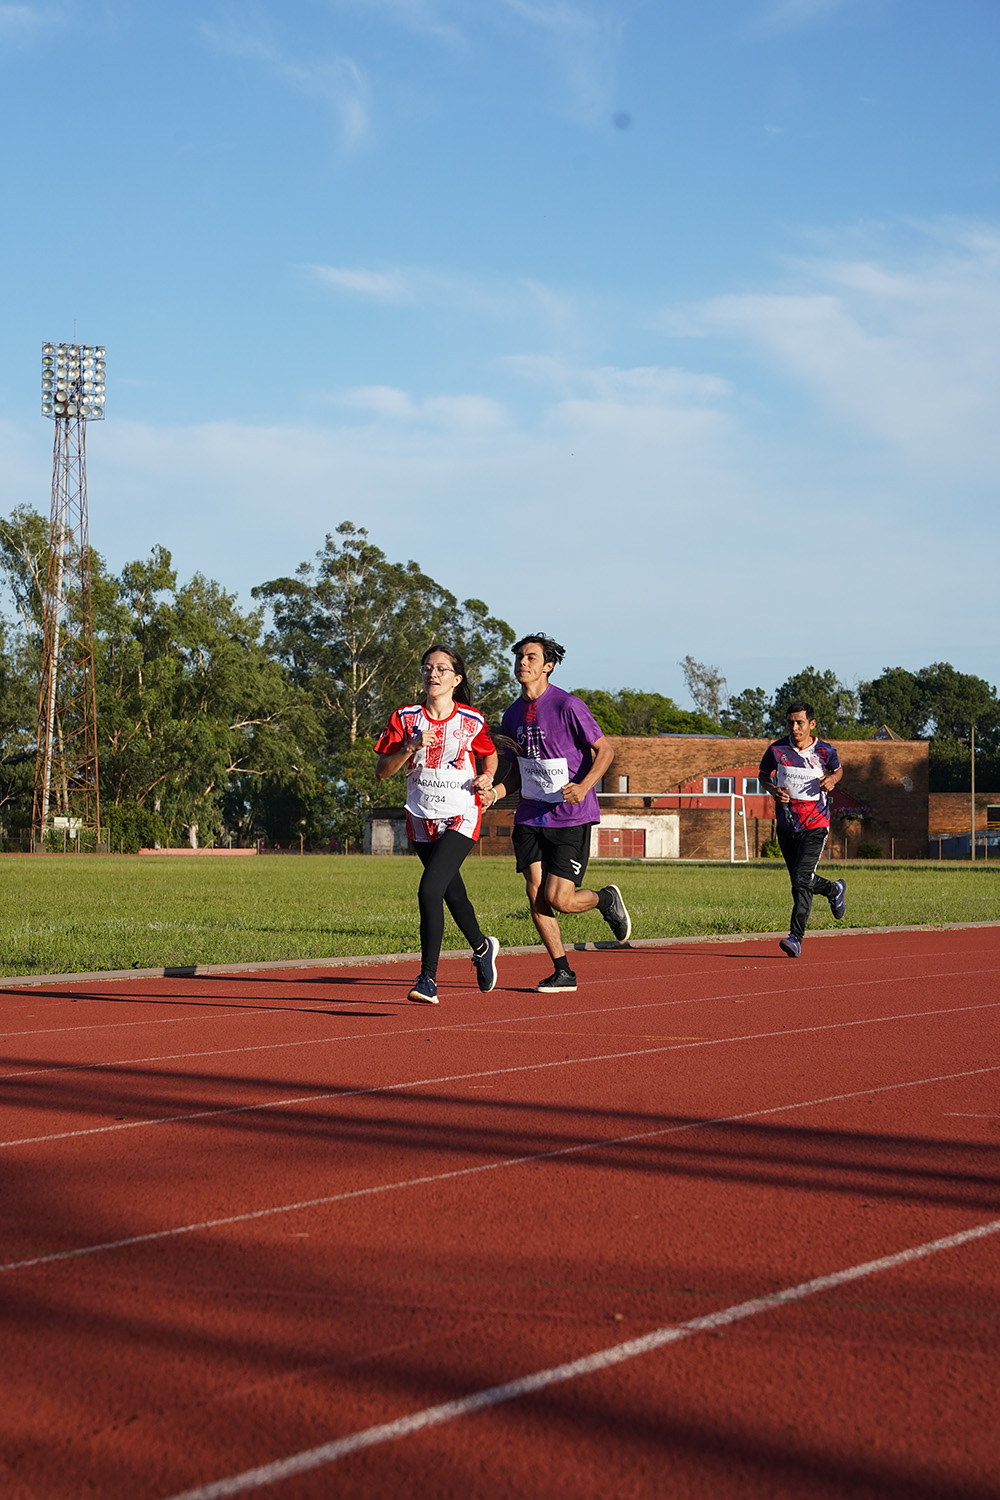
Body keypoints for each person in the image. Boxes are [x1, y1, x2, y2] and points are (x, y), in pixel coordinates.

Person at [485, 632, 631, 992]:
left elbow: (606, 751)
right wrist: (495, 794)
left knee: (560, 899)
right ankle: (563, 970)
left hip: (570, 816)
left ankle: (605, 899)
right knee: (536, 894)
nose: (522, 663)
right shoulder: (511, 715)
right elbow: (517, 772)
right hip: (529, 816)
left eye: (531, 658)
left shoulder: (568, 705)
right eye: (519, 657)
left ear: (548, 666)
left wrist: (583, 786)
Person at [374, 644, 501, 1004]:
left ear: (456, 679)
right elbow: (382, 771)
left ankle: (427, 978)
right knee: (451, 892)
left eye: (442, 669)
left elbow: (490, 755)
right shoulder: (404, 718)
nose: (433, 674)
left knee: (429, 890)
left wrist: (488, 777)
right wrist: (409, 748)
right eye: (427, 668)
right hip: (420, 818)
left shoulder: (471, 720)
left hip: (462, 815)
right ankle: (482, 947)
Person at [759, 700, 846, 958]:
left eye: (800, 723)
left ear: (812, 724)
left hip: (816, 824)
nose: (794, 727)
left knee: (801, 879)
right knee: (799, 883)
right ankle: (834, 889)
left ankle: (795, 938)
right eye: (790, 723)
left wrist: (832, 779)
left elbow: (838, 771)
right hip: (787, 826)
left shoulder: (825, 751)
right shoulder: (777, 750)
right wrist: (773, 790)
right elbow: (763, 775)